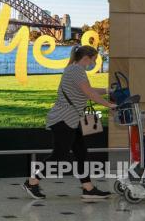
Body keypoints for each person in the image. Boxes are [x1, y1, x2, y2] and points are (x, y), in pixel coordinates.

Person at [22, 45, 117, 200]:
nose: (95, 62)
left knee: (81, 153)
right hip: (63, 119)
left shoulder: (74, 69)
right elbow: (89, 93)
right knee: (59, 154)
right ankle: (32, 182)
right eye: (94, 59)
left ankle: (88, 188)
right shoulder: (76, 71)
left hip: (71, 120)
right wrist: (109, 105)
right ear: (87, 58)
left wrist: (108, 91)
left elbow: (87, 89)